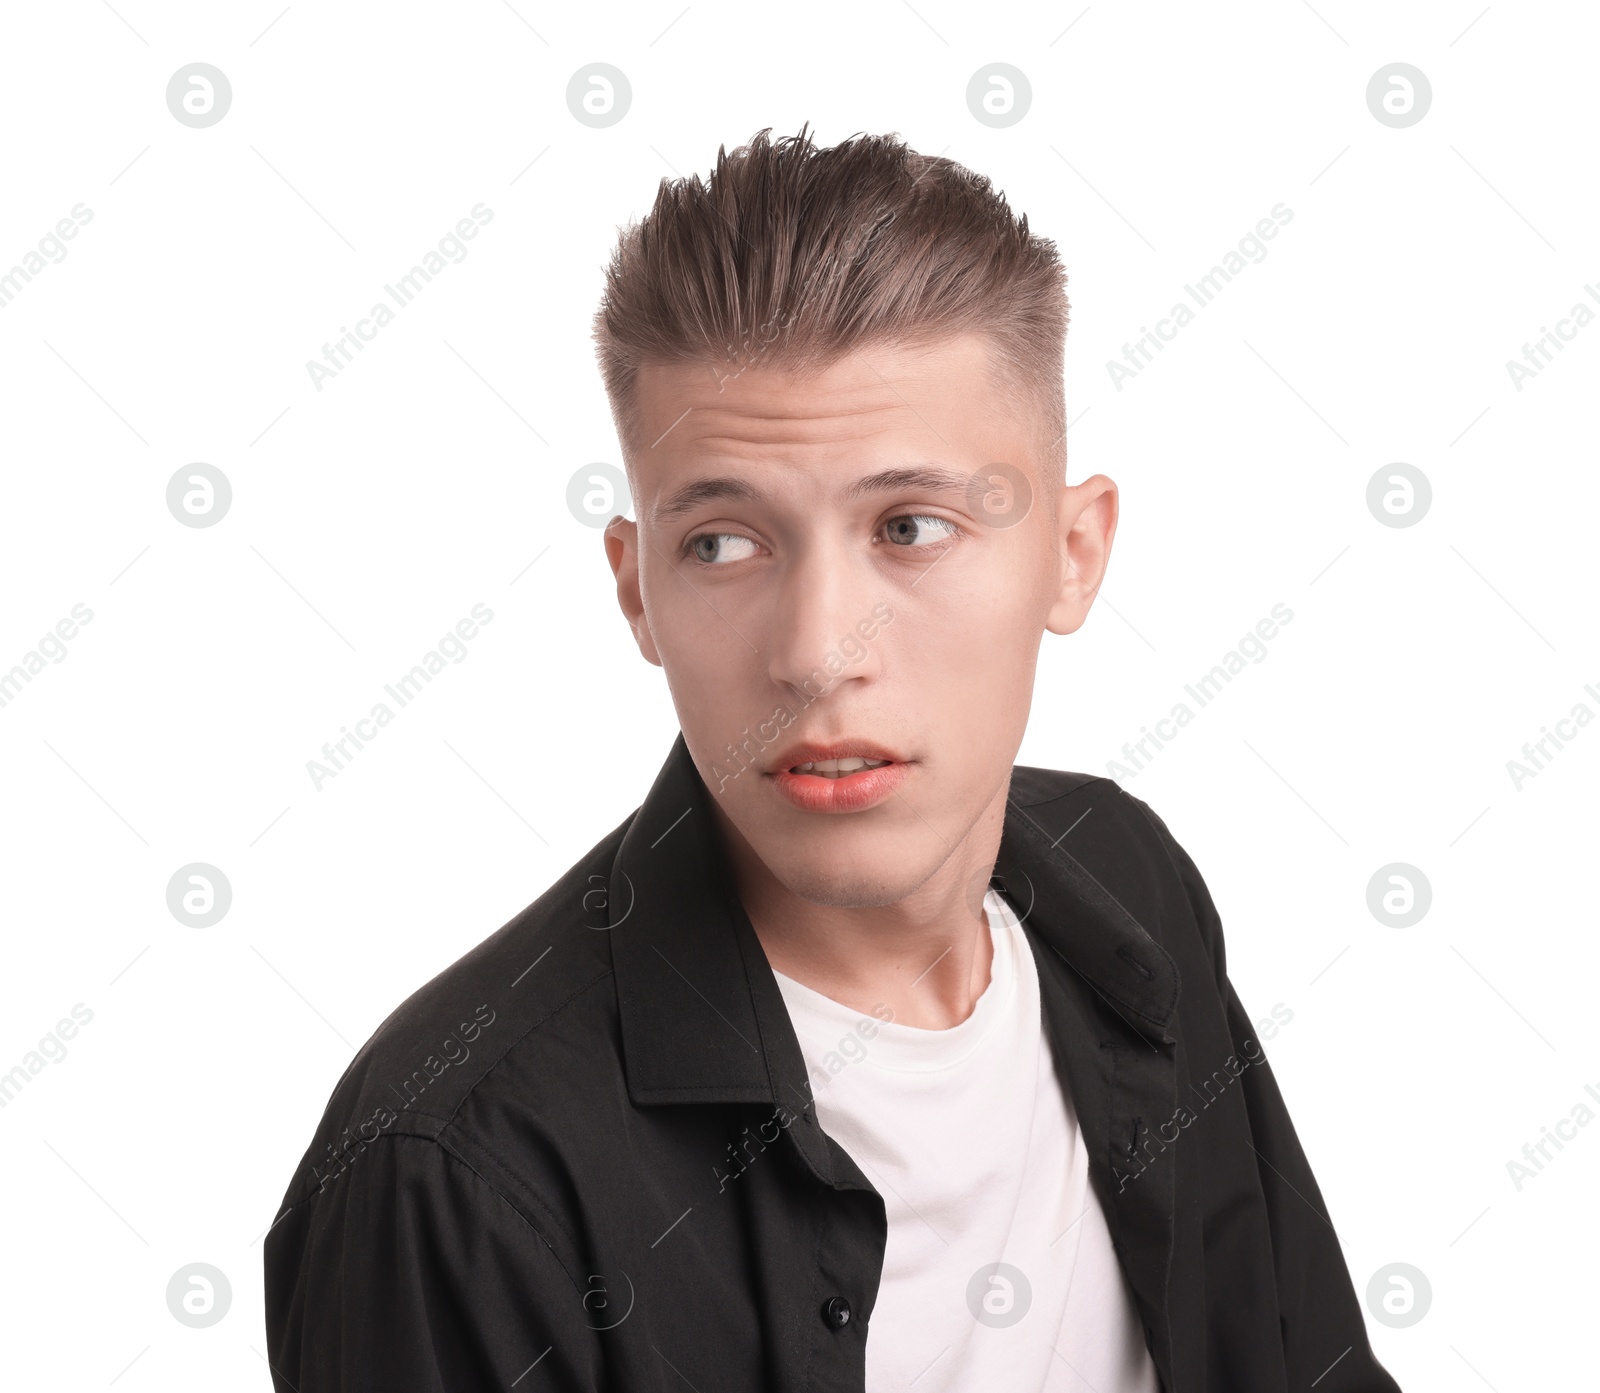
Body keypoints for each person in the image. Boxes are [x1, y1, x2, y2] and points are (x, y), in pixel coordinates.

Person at [263, 126, 1401, 1393]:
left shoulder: (1125, 884)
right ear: (636, 592)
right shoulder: (448, 1175)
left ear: (1073, 554)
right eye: (724, 544)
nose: (816, 654)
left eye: (910, 526)